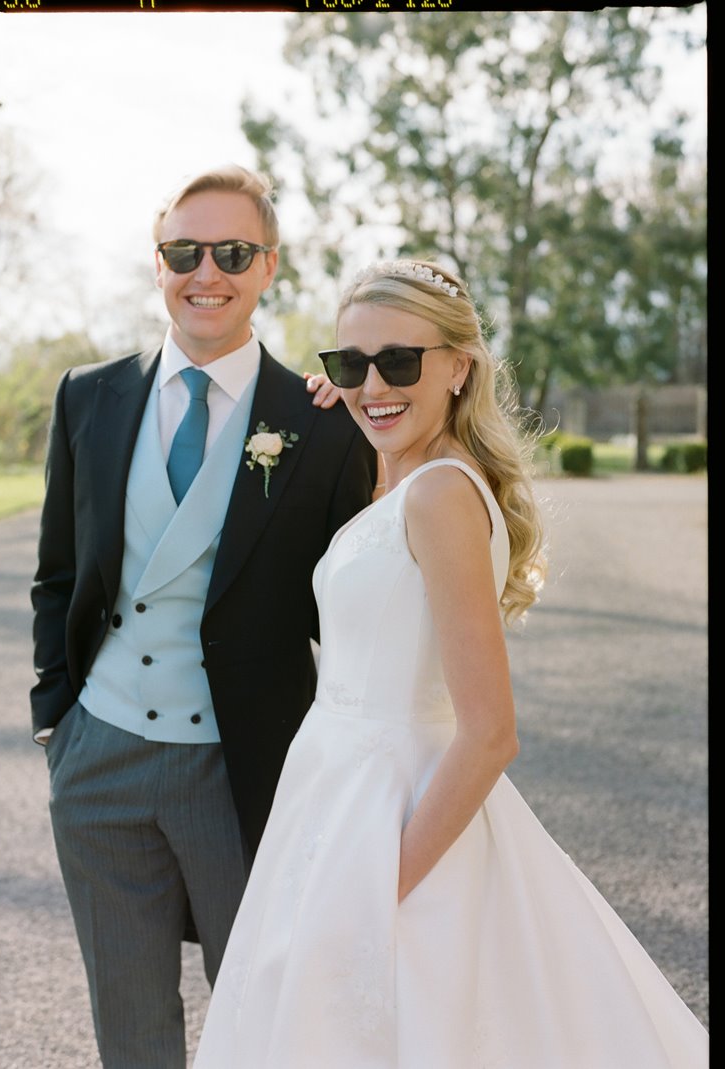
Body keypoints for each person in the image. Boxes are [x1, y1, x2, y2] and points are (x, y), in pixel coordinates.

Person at [193, 259, 709, 1068]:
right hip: (331, 804)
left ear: (459, 366)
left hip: (394, 819)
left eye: (400, 361)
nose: (374, 384)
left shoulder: (437, 495)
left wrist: (378, 885)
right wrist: (339, 400)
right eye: (350, 363)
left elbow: (491, 732)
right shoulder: (397, 480)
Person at [29, 164, 376, 1069]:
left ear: (268, 268)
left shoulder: (325, 424)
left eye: (230, 251)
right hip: (98, 757)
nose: (205, 271)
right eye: (184, 250)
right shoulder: (88, 396)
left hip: (242, 768)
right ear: (158, 265)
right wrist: (54, 720)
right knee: (132, 1030)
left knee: (265, 1024)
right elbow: (58, 574)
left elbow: (360, 608)